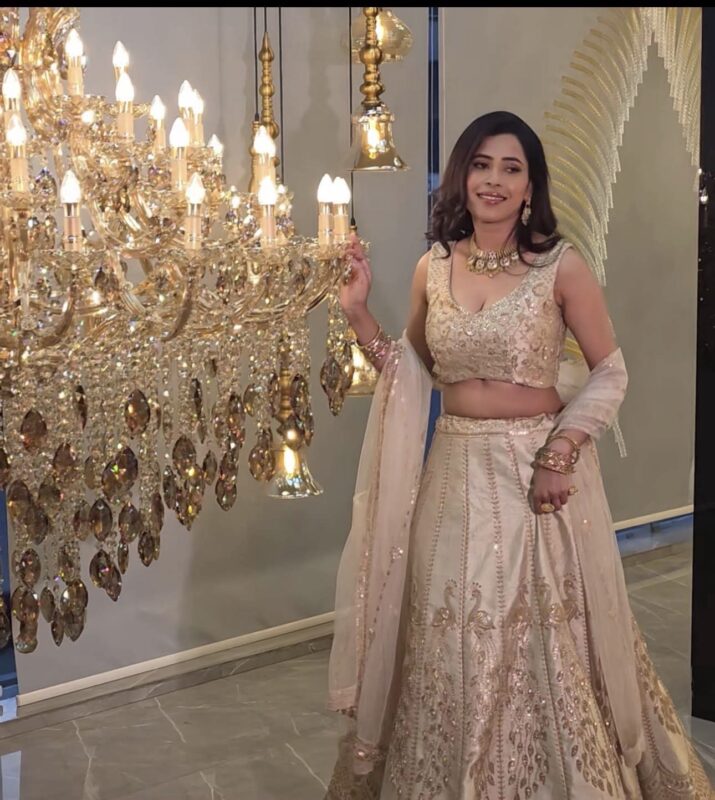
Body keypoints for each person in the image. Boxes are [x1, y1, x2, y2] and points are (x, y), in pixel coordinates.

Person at [324, 111, 713, 799]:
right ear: (462, 175)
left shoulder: (560, 267)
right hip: (451, 477)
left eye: (511, 168)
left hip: (534, 477)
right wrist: (358, 313)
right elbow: (409, 374)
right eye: (481, 165)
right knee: (450, 636)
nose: (494, 181)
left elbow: (610, 371)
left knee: (536, 641)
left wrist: (560, 452)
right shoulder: (433, 267)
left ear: (530, 187)